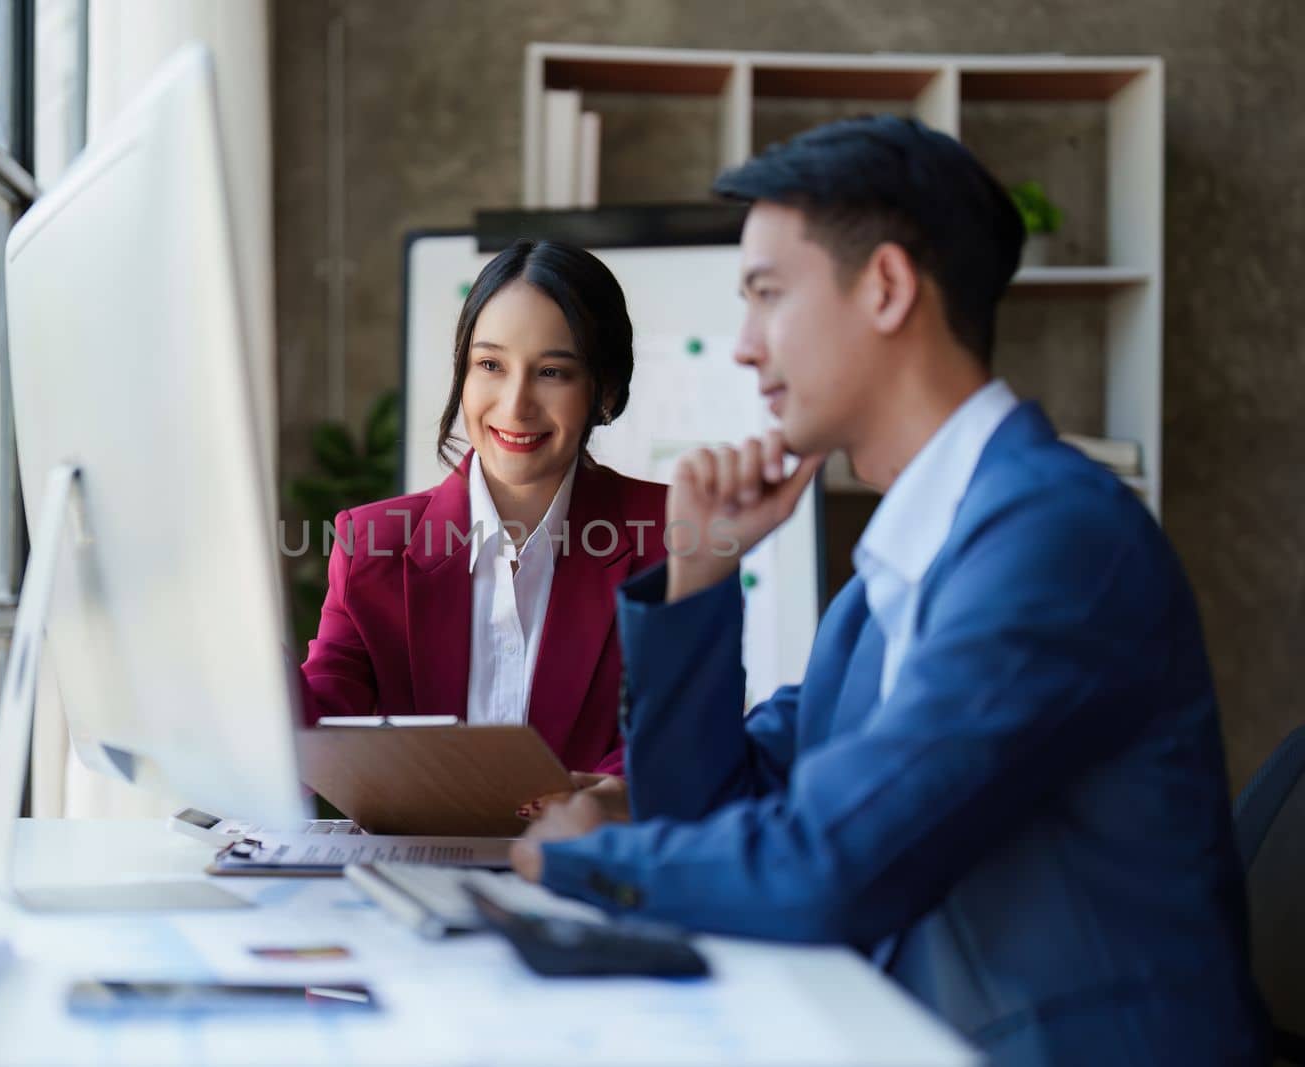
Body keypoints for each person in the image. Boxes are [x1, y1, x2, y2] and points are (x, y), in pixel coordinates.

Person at [510, 117, 1269, 1064]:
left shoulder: (1053, 540)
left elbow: (829, 869)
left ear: (887, 287)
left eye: (767, 295)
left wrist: (580, 861)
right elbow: (708, 813)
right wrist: (702, 569)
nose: (744, 347)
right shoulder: (894, 572)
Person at [298, 239, 666, 783]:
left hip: (585, 861)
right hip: (416, 867)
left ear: (604, 390)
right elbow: (319, 732)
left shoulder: (666, 537)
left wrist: (595, 799)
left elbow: (673, 730)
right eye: (490, 364)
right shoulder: (372, 545)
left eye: (552, 372)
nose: (515, 405)